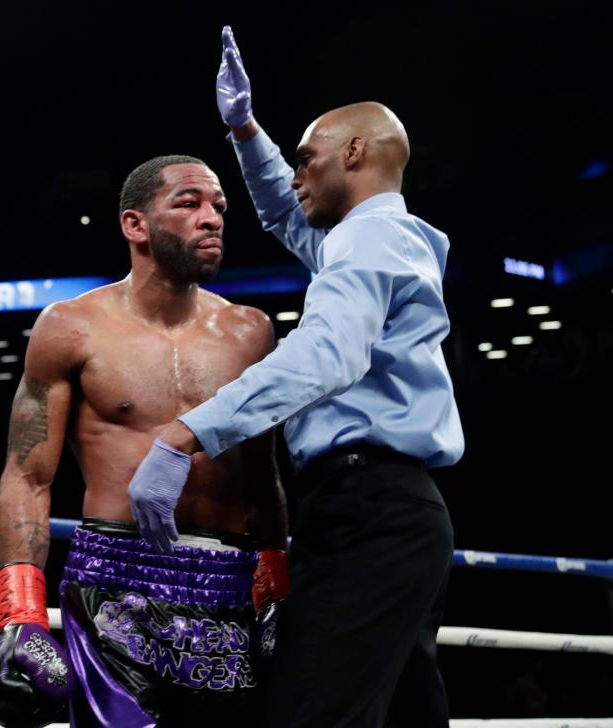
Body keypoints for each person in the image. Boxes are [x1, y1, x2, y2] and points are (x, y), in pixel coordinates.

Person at [125, 27, 465, 728]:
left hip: (369, 509)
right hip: (393, 510)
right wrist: (247, 132)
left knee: (309, 714)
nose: (299, 174)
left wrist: (187, 433)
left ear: (355, 152)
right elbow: (287, 210)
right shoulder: (378, 239)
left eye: (308, 159)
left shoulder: (370, 240)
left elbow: (326, 355)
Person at [0, 154, 291, 728]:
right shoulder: (72, 326)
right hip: (114, 579)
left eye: (219, 207)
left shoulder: (251, 332)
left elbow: (262, 476)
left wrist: (274, 588)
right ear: (135, 225)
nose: (212, 218)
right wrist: (19, 610)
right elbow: (28, 475)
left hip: (227, 575)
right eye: (189, 203)